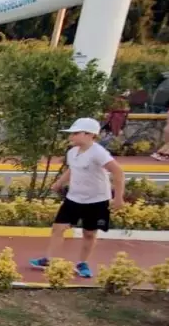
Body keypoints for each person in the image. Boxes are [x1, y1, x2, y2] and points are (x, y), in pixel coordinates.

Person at [30, 117, 125, 279]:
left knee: (89, 233)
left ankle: (83, 263)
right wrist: (59, 182)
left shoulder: (99, 153)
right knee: (58, 228)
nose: (71, 137)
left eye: (75, 133)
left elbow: (118, 172)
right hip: (74, 198)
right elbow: (72, 169)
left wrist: (118, 198)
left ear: (90, 135)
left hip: (97, 200)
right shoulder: (72, 152)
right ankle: (50, 259)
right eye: (71, 133)